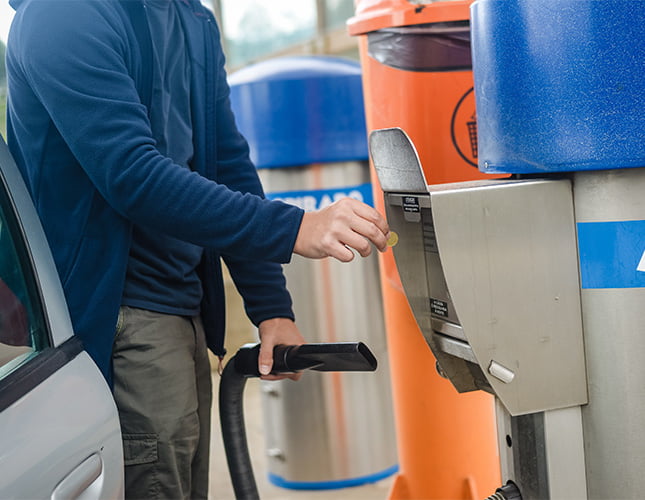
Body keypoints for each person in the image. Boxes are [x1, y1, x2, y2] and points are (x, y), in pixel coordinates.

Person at [5, 0, 390, 498]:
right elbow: (132, 175)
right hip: (119, 320)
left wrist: (270, 306)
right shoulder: (64, 16)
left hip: (183, 308)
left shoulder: (189, 18)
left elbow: (225, 162)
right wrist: (296, 227)